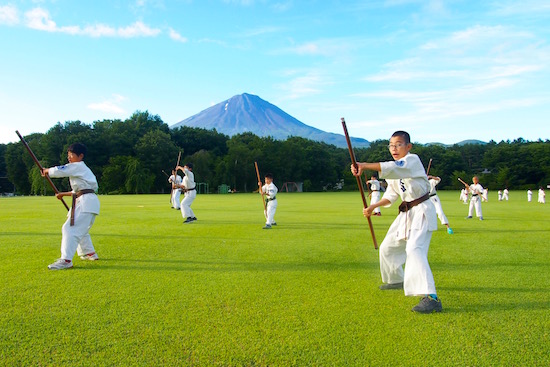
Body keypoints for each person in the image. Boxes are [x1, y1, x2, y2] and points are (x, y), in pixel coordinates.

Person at [351, 130, 441, 314]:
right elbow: (391, 196)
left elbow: (394, 167)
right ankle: (396, 279)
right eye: (391, 145)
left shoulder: (412, 160)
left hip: (421, 210)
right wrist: (372, 207)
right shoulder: (394, 171)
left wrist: (364, 165)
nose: (394, 148)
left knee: (414, 249)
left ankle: (431, 297)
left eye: (399, 144)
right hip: (406, 213)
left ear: (408, 146)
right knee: (387, 248)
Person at [41, 143, 100, 270]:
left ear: (80, 156)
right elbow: (80, 190)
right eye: (68, 155)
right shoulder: (82, 170)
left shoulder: (78, 166)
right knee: (80, 229)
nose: (69, 157)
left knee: (69, 228)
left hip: (86, 202)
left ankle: (66, 260)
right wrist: (63, 194)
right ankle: (89, 253)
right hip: (87, 201)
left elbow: (62, 170)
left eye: (71, 155)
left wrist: (47, 171)